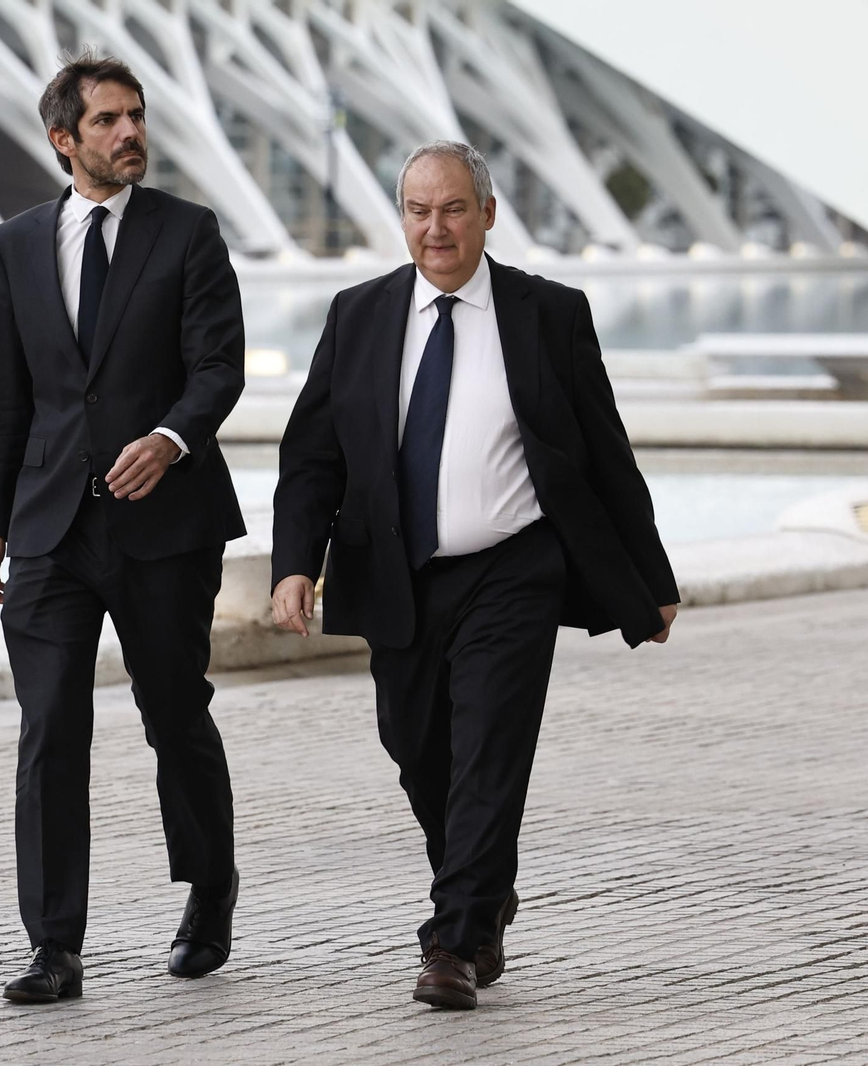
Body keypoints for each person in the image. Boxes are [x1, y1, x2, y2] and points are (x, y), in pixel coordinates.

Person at [270, 140, 679, 1010]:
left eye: (454, 209)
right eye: (419, 211)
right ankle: (484, 893)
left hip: (512, 570)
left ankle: (453, 942)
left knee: (490, 751)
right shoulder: (358, 314)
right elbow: (312, 456)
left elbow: (606, 453)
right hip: (395, 573)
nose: (436, 228)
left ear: (487, 214)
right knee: (419, 753)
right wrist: (294, 565)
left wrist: (650, 577)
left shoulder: (549, 314)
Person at [0, 50, 247, 1004]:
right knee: (50, 727)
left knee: (174, 712)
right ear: (63, 139)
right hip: (49, 528)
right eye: (107, 120)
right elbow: (3, 397)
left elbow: (219, 367)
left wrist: (169, 439)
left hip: (165, 525)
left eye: (136, 115)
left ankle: (209, 887)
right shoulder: (14, 244)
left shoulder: (188, 232)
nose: (130, 133)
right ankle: (54, 946)